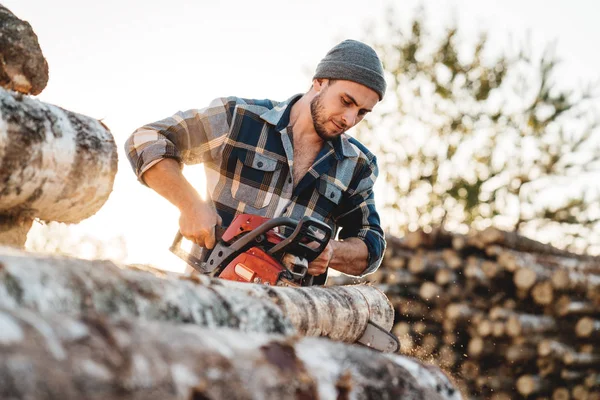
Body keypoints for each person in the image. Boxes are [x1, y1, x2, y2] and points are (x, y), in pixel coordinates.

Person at [125, 39, 387, 285]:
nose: (350, 120)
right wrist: (190, 204)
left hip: (293, 314)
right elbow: (147, 139)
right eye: (346, 102)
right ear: (320, 82)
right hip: (209, 294)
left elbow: (371, 244)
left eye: (362, 112)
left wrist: (332, 251)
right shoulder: (239, 120)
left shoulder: (357, 166)